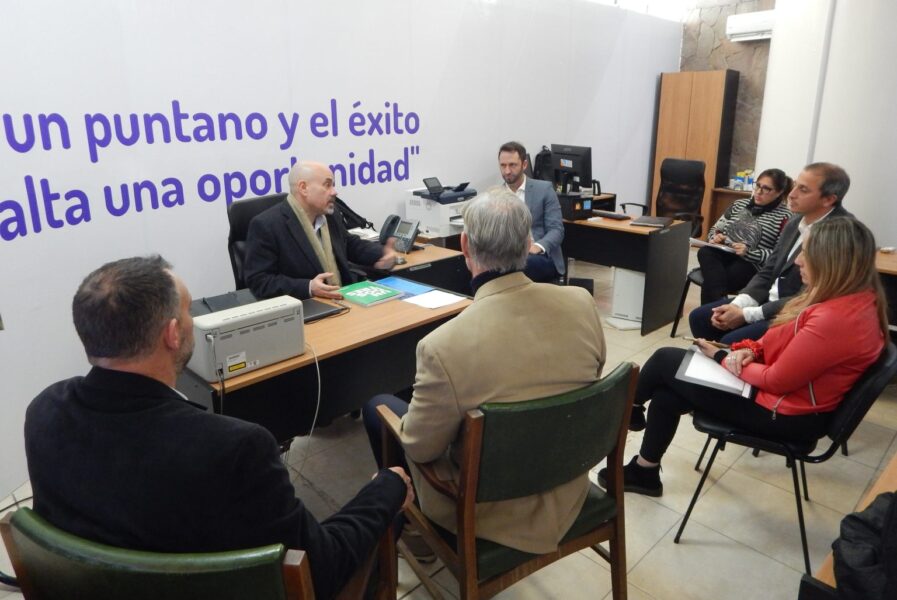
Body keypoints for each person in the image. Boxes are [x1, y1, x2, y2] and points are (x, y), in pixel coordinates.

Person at [24, 256, 414, 600]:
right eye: (189, 312)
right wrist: (387, 486)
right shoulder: (233, 448)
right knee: (386, 510)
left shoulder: (43, 413)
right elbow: (321, 570)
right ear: (173, 334)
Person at [362, 189, 606, 554]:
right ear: (527, 244)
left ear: (464, 245)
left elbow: (419, 447)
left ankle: (415, 530)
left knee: (378, 406)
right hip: (567, 487)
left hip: (486, 513)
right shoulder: (581, 303)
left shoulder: (442, 346)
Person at [603, 218, 887, 496]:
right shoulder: (850, 300)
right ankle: (645, 470)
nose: (799, 260)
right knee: (667, 392)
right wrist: (750, 350)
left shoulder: (835, 318)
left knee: (666, 359)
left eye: (807, 252)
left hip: (784, 414)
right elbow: (780, 341)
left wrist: (723, 358)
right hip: (784, 401)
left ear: (832, 261)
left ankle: (626, 412)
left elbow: (776, 381)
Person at [689, 162, 852, 344]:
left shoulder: (840, 233)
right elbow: (769, 270)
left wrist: (747, 314)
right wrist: (736, 305)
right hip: (768, 301)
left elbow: (809, 297)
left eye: (803, 190)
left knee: (730, 339)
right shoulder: (796, 221)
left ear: (828, 199)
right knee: (701, 317)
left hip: (795, 314)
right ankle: (717, 361)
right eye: (796, 185)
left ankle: (727, 361)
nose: (791, 194)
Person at [243, 160, 397, 300]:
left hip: (344, 299)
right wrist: (309, 287)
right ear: (303, 188)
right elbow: (259, 281)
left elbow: (349, 245)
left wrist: (382, 253)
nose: (334, 192)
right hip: (307, 306)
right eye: (327, 185)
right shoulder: (267, 225)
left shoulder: (330, 214)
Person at [697, 168, 793, 304]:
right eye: (758, 185)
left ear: (779, 192)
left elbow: (780, 255)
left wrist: (750, 253)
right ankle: (719, 308)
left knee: (711, 282)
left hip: (752, 263)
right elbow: (716, 229)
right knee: (705, 252)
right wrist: (715, 237)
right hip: (725, 253)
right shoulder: (739, 204)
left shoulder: (786, 217)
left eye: (766, 189)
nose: (759, 192)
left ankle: (713, 311)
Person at [498, 141, 566, 282]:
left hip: (540, 255)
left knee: (522, 266)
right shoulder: (496, 195)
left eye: (512, 165)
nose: (507, 171)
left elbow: (557, 230)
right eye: (503, 165)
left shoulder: (544, 189)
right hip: (507, 256)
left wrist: (537, 247)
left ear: (524, 165)